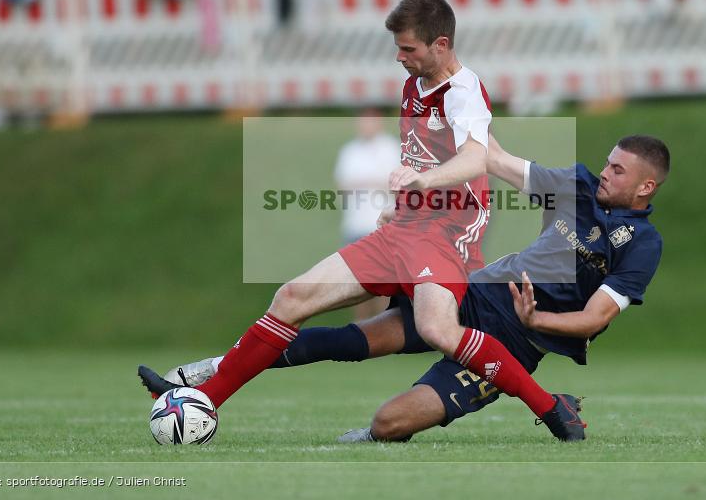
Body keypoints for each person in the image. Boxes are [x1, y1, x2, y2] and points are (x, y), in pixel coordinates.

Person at [143, 0, 590, 439]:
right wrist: (403, 200)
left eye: (408, 48)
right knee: (292, 297)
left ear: (441, 44)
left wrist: (423, 184)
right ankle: (205, 400)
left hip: (443, 234)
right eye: (397, 47)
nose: (399, 57)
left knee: (436, 329)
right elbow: (424, 154)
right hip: (404, 229)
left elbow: (476, 160)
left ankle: (552, 409)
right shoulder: (415, 84)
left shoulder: (463, 92)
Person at [160, 134, 669, 442]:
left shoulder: (642, 244)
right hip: (474, 295)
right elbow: (492, 157)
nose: (604, 172)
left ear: (646, 186)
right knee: (343, 340)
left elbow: (597, 318)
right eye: (607, 162)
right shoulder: (577, 185)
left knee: (388, 424)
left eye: (617, 169)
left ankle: (542, 398)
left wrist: (538, 320)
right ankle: (202, 387)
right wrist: (462, 108)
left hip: (517, 343)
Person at [333, 109, 402, 319]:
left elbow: (397, 184)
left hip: (382, 226)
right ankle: (360, 329)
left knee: (383, 284)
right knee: (355, 283)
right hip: (355, 225)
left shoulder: (391, 148)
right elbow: (342, 184)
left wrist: (367, 182)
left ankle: (383, 328)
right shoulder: (349, 151)